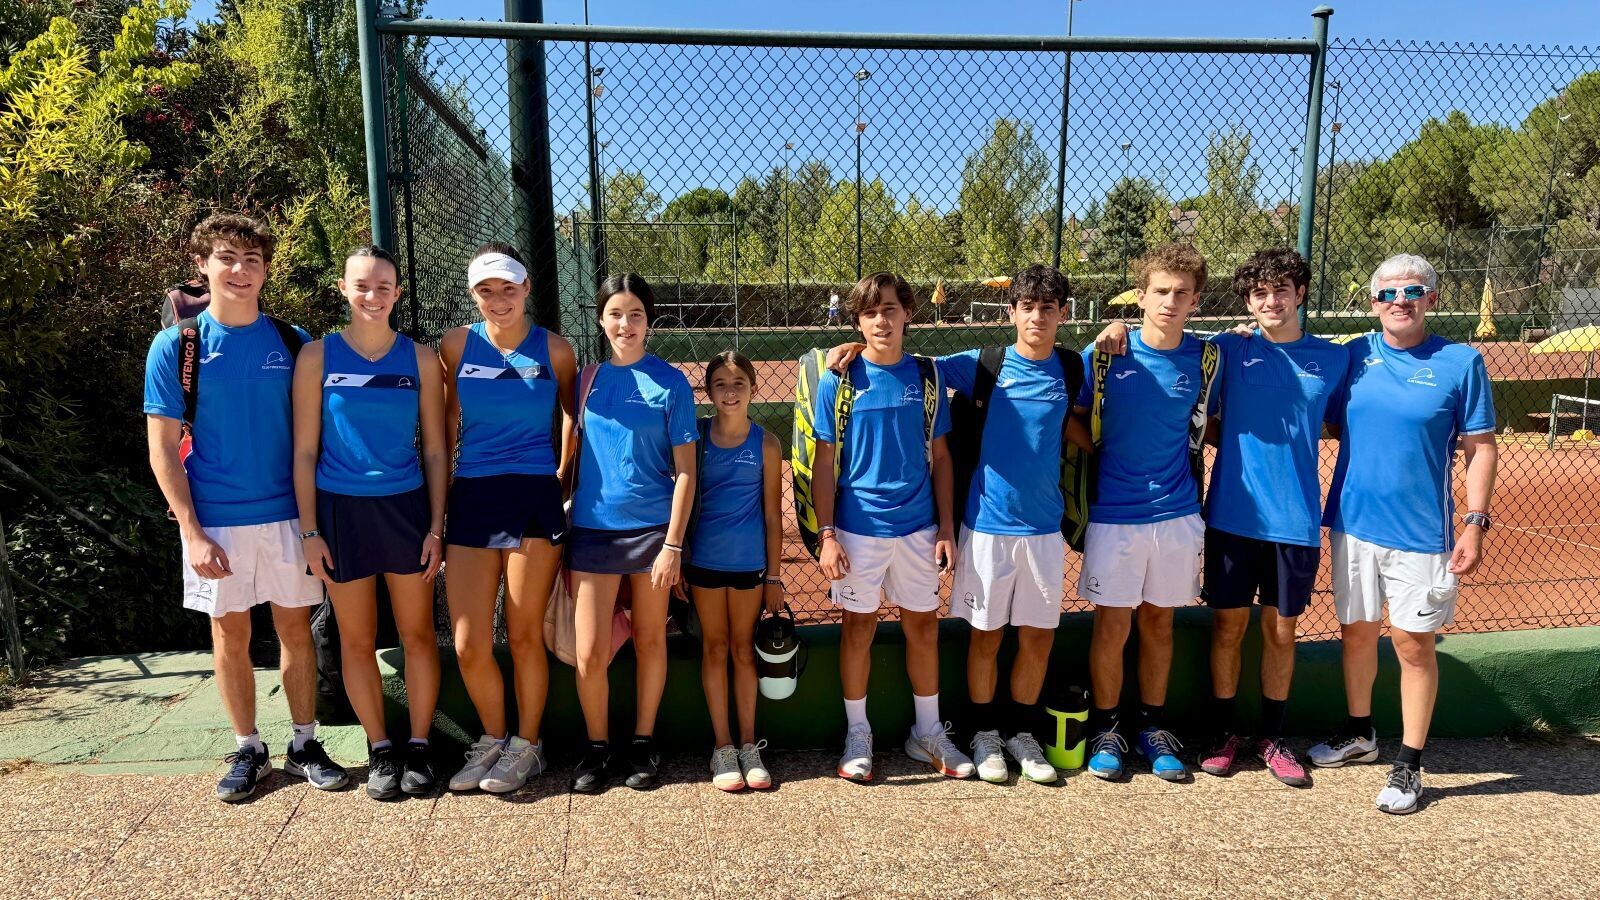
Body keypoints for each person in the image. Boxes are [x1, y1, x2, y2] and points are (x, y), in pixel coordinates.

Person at [825, 264, 1091, 785]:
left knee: (1037, 638)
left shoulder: (1074, 367)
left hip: (1042, 529)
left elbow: (1087, 419)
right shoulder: (979, 365)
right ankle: (982, 733)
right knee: (984, 636)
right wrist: (848, 347)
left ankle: (1020, 734)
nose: (1037, 316)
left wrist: (1116, 330)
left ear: (1063, 314)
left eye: (1049, 308)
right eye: (1028, 307)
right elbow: (901, 360)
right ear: (1011, 312)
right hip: (985, 524)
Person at [1097, 248, 1348, 787]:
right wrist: (1114, 323)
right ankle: (1221, 735)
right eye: (1260, 293)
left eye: (1282, 290)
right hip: (1229, 515)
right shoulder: (1228, 350)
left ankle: (1272, 737)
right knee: (1228, 628)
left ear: (1301, 294)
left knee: (1282, 632)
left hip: (1296, 520)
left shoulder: (1332, 359)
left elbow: (1353, 420)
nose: (1271, 300)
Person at [145, 213, 347, 802]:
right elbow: (161, 447)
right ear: (202, 266)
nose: (240, 270)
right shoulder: (177, 345)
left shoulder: (293, 341)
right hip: (215, 522)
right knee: (229, 634)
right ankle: (248, 747)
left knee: (296, 631)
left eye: (252, 260)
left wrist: (314, 522)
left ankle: (304, 742)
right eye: (227, 258)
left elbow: (318, 435)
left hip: (290, 517)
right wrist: (191, 529)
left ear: (265, 271)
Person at [1308, 254, 1498, 815]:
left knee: (1413, 646)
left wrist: (1475, 522)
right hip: (1352, 525)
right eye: (1388, 294)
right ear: (1373, 303)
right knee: (1357, 632)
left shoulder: (1462, 362)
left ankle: (1410, 764)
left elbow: (1480, 448)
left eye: (1413, 291)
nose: (1400, 301)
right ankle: (1360, 733)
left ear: (1431, 299)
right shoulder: (1353, 357)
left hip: (1423, 535)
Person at [291, 247, 447, 800]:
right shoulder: (316, 357)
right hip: (340, 513)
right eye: (362, 286)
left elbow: (434, 450)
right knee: (355, 639)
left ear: (398, 292)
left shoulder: (422, 360)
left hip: (406, 511)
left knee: (418, 635)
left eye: (384, 286)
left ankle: (421, 748)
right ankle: (381, 749)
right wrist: (310, 532)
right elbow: (305, 451)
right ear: (343, 288)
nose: (372, 296)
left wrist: (435, 526)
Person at [812, 272, 974, 783]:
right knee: (858, 628)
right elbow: (824, 463)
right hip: (858, 531)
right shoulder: (836, 379)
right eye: (871, 312)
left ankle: (926, 731)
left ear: (907, 313)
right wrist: (828, 534)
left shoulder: (927, 378)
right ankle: (858, 733)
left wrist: (946, 527)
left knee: (922, 627)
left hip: (919, 529)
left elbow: (943, 458)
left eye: (890, 309)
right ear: (857, 321)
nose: (882, 319)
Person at [1073, 243, 1216, 783]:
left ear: (1196, 300)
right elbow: (1074, 417)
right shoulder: (1105, 354)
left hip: (1178, 515)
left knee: (1159, 623)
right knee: (1113, 625)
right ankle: (1108, 729)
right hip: (1114, 515)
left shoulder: (1206, 358)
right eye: (1160, 291)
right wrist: (1106, 453)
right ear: (1141, 295)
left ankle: (1152, 728)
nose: (1170, 301)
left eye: (1182, 293)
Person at [439, 244, 577, 794]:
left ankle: (528, 746)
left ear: (526, 290)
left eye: (508, 288)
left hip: (533, 497)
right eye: (485, 290)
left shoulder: (556, 349)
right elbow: (447, 419)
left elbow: (572, 411)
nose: (498, 300)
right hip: (471, 496)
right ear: (474, 294)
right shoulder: (454, 345)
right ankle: (492, 739)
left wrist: (562, 477)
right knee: (470, 643)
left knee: (523, 636)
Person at [567, 274, 698, 793]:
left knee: (649, 641)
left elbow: (686, 471)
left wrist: (673, 544)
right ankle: (597, 748)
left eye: (637, 314)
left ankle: (644, 744)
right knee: (590, 652)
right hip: (592, 532)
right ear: (602, 319)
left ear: (650, 321)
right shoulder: (584, 380)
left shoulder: (670, 382)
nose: (626, 324)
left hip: (652, 534)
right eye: (616, 314)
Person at [684, 351, 784, 791]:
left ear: (753, 389)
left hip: (749, 566)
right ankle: (722, 747)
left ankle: (748, 745)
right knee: (715, 648)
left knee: (744, 651)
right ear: (708, 391)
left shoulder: (766, 443)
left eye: (739, 382)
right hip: (702, 562)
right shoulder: (696, 436)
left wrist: (775, 577)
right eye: (720, 383)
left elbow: (773, 517)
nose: (730, 391)